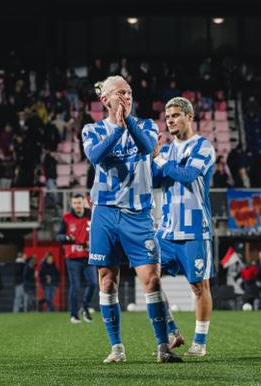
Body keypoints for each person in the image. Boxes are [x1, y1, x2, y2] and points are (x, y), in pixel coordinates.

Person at [82, 74, 181, 363]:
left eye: (128, 92)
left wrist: (128, 123)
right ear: (105, 100)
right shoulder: (93, 129)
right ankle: (117, 348)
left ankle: (163, 347)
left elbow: (147, 148)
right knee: (107, 280)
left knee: (151, 280)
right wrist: (117, 128)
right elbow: (96, 157)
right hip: (105, 212)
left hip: (138, 215)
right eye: (119, 93)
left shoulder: (147, 125)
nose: (125, 97)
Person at [151, 97, 216, 357]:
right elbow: (154, 179)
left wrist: (159, 161)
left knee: (199, 287)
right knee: (148, 275)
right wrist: (151, 157)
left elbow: (188, 175)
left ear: (190, 116)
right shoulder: (164, 151)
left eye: (176, 115)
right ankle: (172, 331)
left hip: (194, 230)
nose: (170, 121)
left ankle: (199, 343)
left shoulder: (203, 146)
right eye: (168, 118)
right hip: (166, 230)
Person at [58, 194, 94, 323]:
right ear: (72, 204)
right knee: (75, 286)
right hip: (72, 258)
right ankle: (73, 315)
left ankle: (84, 306)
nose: (77, 205)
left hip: (89, 256)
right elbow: (59, 236)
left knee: (93, 283)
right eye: (75, 203)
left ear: (84, 203)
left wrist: (93, 242)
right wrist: (68, 239)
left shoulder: (91, 214)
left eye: (79, 202)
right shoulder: (67, 217)